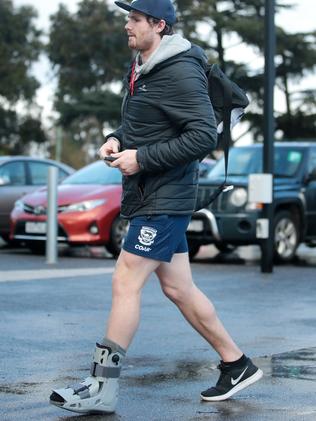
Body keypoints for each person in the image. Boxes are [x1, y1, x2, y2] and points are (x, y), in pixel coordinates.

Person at [50, 0, 263, 414]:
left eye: (134, 19)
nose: (127, 26)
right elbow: (141, 123)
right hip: (151, 193)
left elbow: (203, 135)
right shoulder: (143, 67)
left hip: (165, 196)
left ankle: (101, 386)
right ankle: (237, 365)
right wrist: (116, 138)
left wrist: (142, 158)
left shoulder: (180, 69)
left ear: (158, 25)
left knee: (125, 280)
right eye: (127, 18)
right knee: (178, 288)